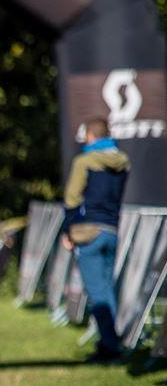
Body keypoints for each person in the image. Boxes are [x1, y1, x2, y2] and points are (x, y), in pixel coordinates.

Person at [62, 117, 129, 363]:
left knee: (97, 290)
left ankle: (110, 346)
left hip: (89, 231)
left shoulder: (84, 161)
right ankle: (111, 342)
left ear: (90, 136)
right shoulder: (122, 162)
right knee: (107, 288)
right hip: (112, 229)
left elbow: (72, 198)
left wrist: (68, 230)